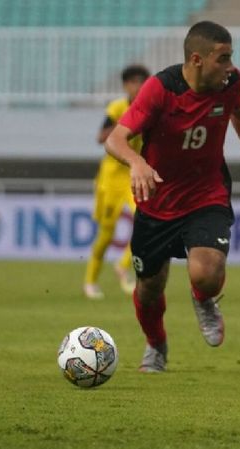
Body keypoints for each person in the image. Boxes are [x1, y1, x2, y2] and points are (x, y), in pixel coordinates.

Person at [104, 21, 240, 373]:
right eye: (223, 58)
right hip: (157, 202)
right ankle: (156, 345)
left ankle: (204, 299)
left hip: (206, 193)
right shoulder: (160, 90)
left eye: (231, 58)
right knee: (150, 289)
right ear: (197, 59)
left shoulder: (230, 84)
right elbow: (115, 140)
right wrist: (136, 162)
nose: (230, 67)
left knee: (206, 273)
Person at [83, 64, 150, 300]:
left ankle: (122, 265)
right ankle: (90, 281)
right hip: (111, 177)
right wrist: (123, 122)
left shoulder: (150, 110)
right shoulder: (117, 108)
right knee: (107, 234)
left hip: (134, 175)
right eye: (133, 82)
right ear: (125, 86)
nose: (137, 86)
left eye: (141, 82)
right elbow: (101, 138)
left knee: (146, 222)